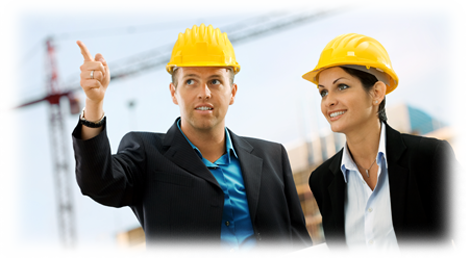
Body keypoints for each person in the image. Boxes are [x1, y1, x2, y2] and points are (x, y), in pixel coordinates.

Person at [72, 24, 312, 258]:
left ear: (233, 92)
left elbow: (301, 246)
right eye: (191, 81)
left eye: (215, 81)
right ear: (173, 92)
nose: (204, 92)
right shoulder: (147, 153)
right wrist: (94, 104)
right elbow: (98, 183)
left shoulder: (272, 157)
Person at [303, 33, 465, 258]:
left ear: (377, 93)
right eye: (323, 91)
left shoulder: (428, 158)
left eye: (341, 87)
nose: (329, 100)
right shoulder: (323, 181)